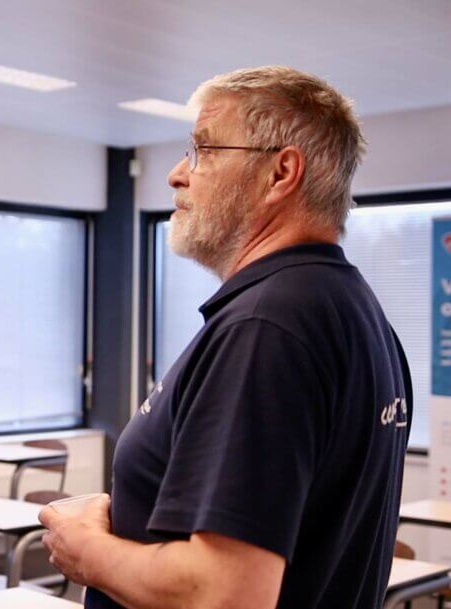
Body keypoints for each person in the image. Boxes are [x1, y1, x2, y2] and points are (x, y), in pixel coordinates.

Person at [40, 66, 411, 609]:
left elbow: (224, 593)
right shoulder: (353, 311)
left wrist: (87, 552)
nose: (176, 174)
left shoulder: (268, 327)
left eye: (203, 150)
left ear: (281, 173)